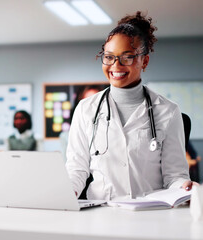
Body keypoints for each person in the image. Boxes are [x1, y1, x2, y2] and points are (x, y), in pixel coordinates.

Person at [65, 11, 194, 201]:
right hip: (101, 213)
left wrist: (184, 186)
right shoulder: (86, 109)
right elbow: (76, 169)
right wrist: (67, 193)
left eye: (127, 57)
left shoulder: (168, 111)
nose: (116, 65)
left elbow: (174, 176)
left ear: (145, 61)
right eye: (109, 57)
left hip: (151, 213)